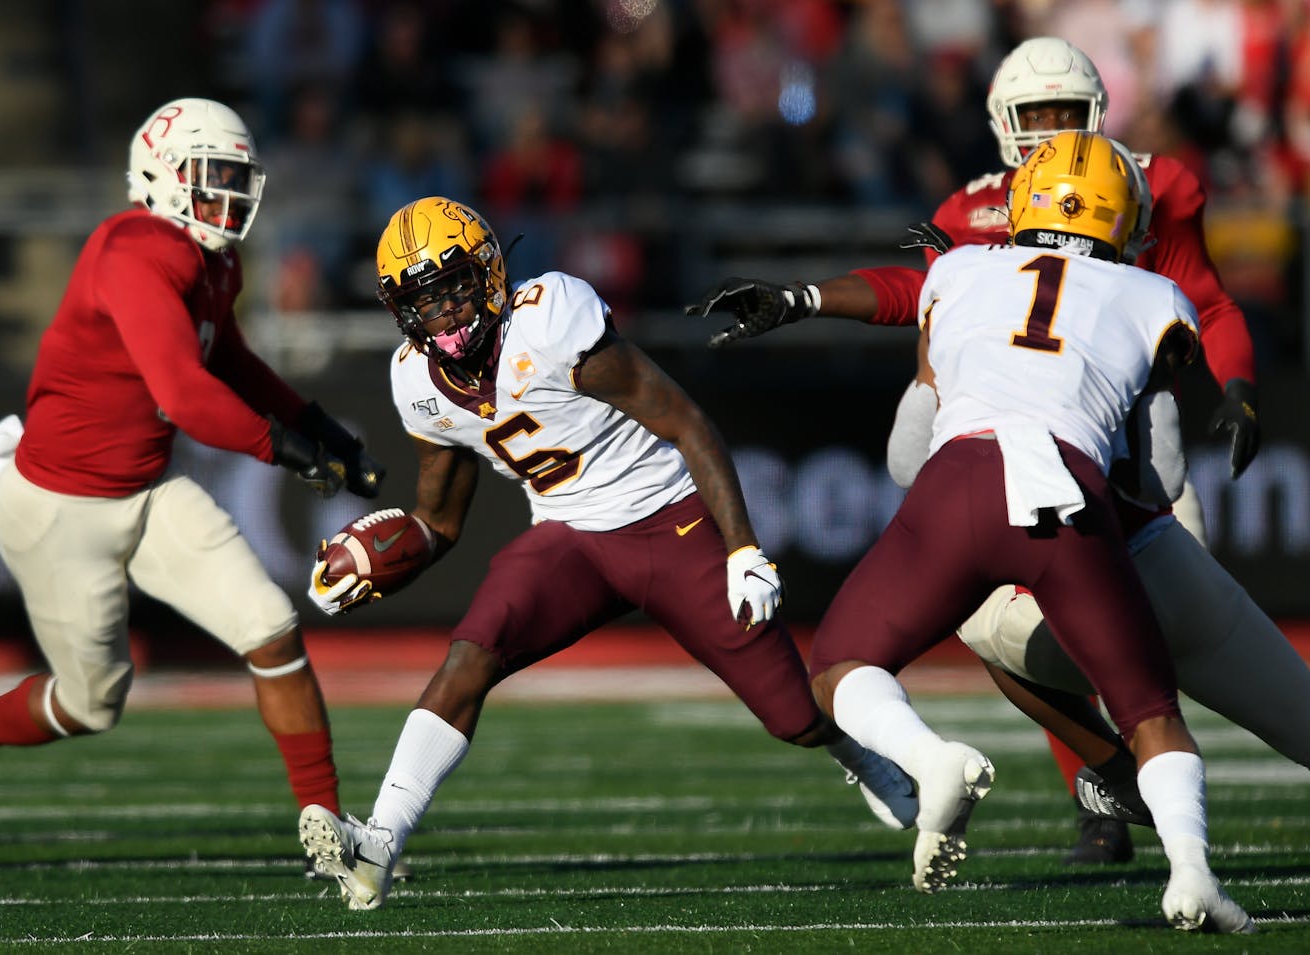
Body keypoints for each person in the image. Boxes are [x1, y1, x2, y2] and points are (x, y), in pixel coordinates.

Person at [685, 35, 1262, 864]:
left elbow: (1202, 301)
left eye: (1067, 114)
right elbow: (921, 292)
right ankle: (1109, 792)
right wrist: (807, 295)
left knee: (1147, 657)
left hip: (1133, 468)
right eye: (1037, 117)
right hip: (1042, 461)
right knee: (1013, 623)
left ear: (1098, 114)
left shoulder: (1151, 184)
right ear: (1001, 123)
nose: (1051, 131)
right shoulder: (971, 212)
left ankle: (1138, 785)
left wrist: (1233, 383)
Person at [295, 195, 917, 911]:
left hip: (666, 519)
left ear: (490, 275)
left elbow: (688, 423)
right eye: (424, 303)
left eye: (456, 288)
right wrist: (382, 560)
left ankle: (862, 753)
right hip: (571, 536)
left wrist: (742, 546)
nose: (446, 315)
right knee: (472, 651)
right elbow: (439, 519)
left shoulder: (550, 320)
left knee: (793, 716)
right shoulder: (416, 383)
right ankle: (377, 846)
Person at [0, 99, 384, 875]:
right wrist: (289, 449)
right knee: (92, 702)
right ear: (161, 176)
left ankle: (328, 831)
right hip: (62, 509)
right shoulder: (135, 250)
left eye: (239, 180)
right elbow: (183, 391)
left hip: (146, 490)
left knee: (270, 624)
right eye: (214, 178)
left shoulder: (213, 259)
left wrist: (322, 427)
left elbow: (228, 360)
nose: (231, 196)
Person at [806, 131, 1251, 932]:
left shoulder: (958, 269)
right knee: (1151, 711)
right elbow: (1159, 471)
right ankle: (1192, 873)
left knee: (840, 663)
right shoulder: (1152, 295)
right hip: (1067, 500)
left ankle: (926, 756)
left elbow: (909, 438)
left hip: (956, 484)